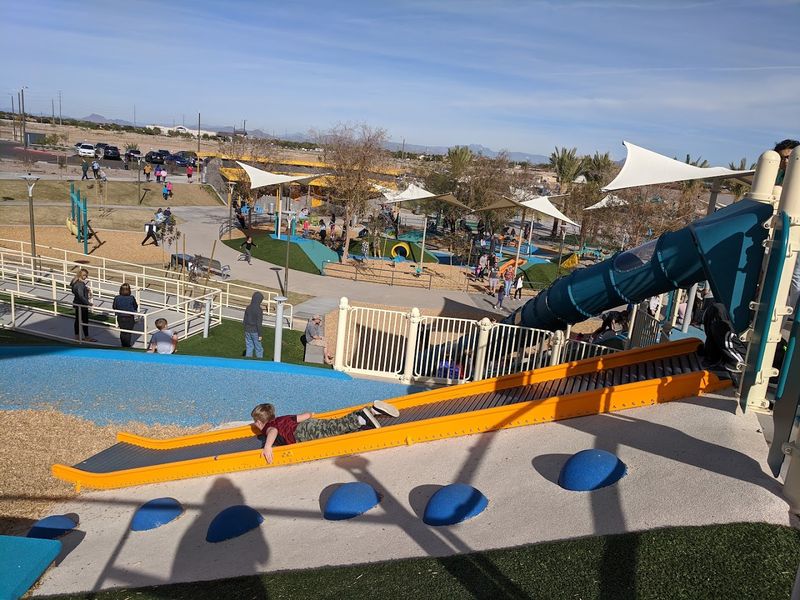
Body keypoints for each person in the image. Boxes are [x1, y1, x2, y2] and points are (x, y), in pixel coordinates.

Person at [251, 400, 400, 464]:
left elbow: (273, 431)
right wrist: (311, 414)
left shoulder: (267, 427)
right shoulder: (282, 418)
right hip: (308, 424)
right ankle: (372, 413)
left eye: (255, 422)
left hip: (302, 434)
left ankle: (361, 418)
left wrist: (267, 446)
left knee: (334, 428)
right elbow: (305, 416)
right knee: (334, 427)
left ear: (259, 422)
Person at [70, 268, 96, 342]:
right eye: (85, 276)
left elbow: (75, 292)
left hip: (77, 303)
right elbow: (81, 296)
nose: (86, 277)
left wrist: (85, 289)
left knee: (78, 320)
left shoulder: (75, 282)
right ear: (82, 275)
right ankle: (86, 336)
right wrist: (89, 303)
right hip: (82, 305)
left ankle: (77, 336)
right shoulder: (80, 284)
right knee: (84, 321)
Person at [112, 283, 139, 348]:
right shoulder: (131, 298)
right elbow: (135, 306)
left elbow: (114, 306)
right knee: (128, 332)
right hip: (129, 317)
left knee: (123, 331)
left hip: (120, 317)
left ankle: (123, 345)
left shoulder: (117, 297)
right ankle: (127, 345)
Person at [243, 292, 264, 359]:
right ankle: (259, 363)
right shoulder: (259, 310)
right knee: (259, 349)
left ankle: (248, 362)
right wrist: (260, 334)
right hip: (255, 331)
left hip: (247, 330)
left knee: (249, 347)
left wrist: (246, 328)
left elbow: (244, 320)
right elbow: (259, 323)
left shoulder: (248, 307)